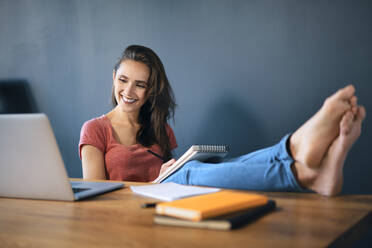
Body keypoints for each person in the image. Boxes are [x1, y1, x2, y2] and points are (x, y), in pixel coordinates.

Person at [79, 45, 366, 196]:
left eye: (139, 84)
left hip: (163, 202)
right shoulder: (95, 130)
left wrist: (166, 174)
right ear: (113, 79)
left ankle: (301, 161)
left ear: (151, 90)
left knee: (207, 168)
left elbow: (168, 182)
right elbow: (97, 196)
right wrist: (155, 181)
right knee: (188, 173)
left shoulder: (158, 127)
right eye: (123, 80)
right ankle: (298, 160)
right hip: (132, 206)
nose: (128, 92)